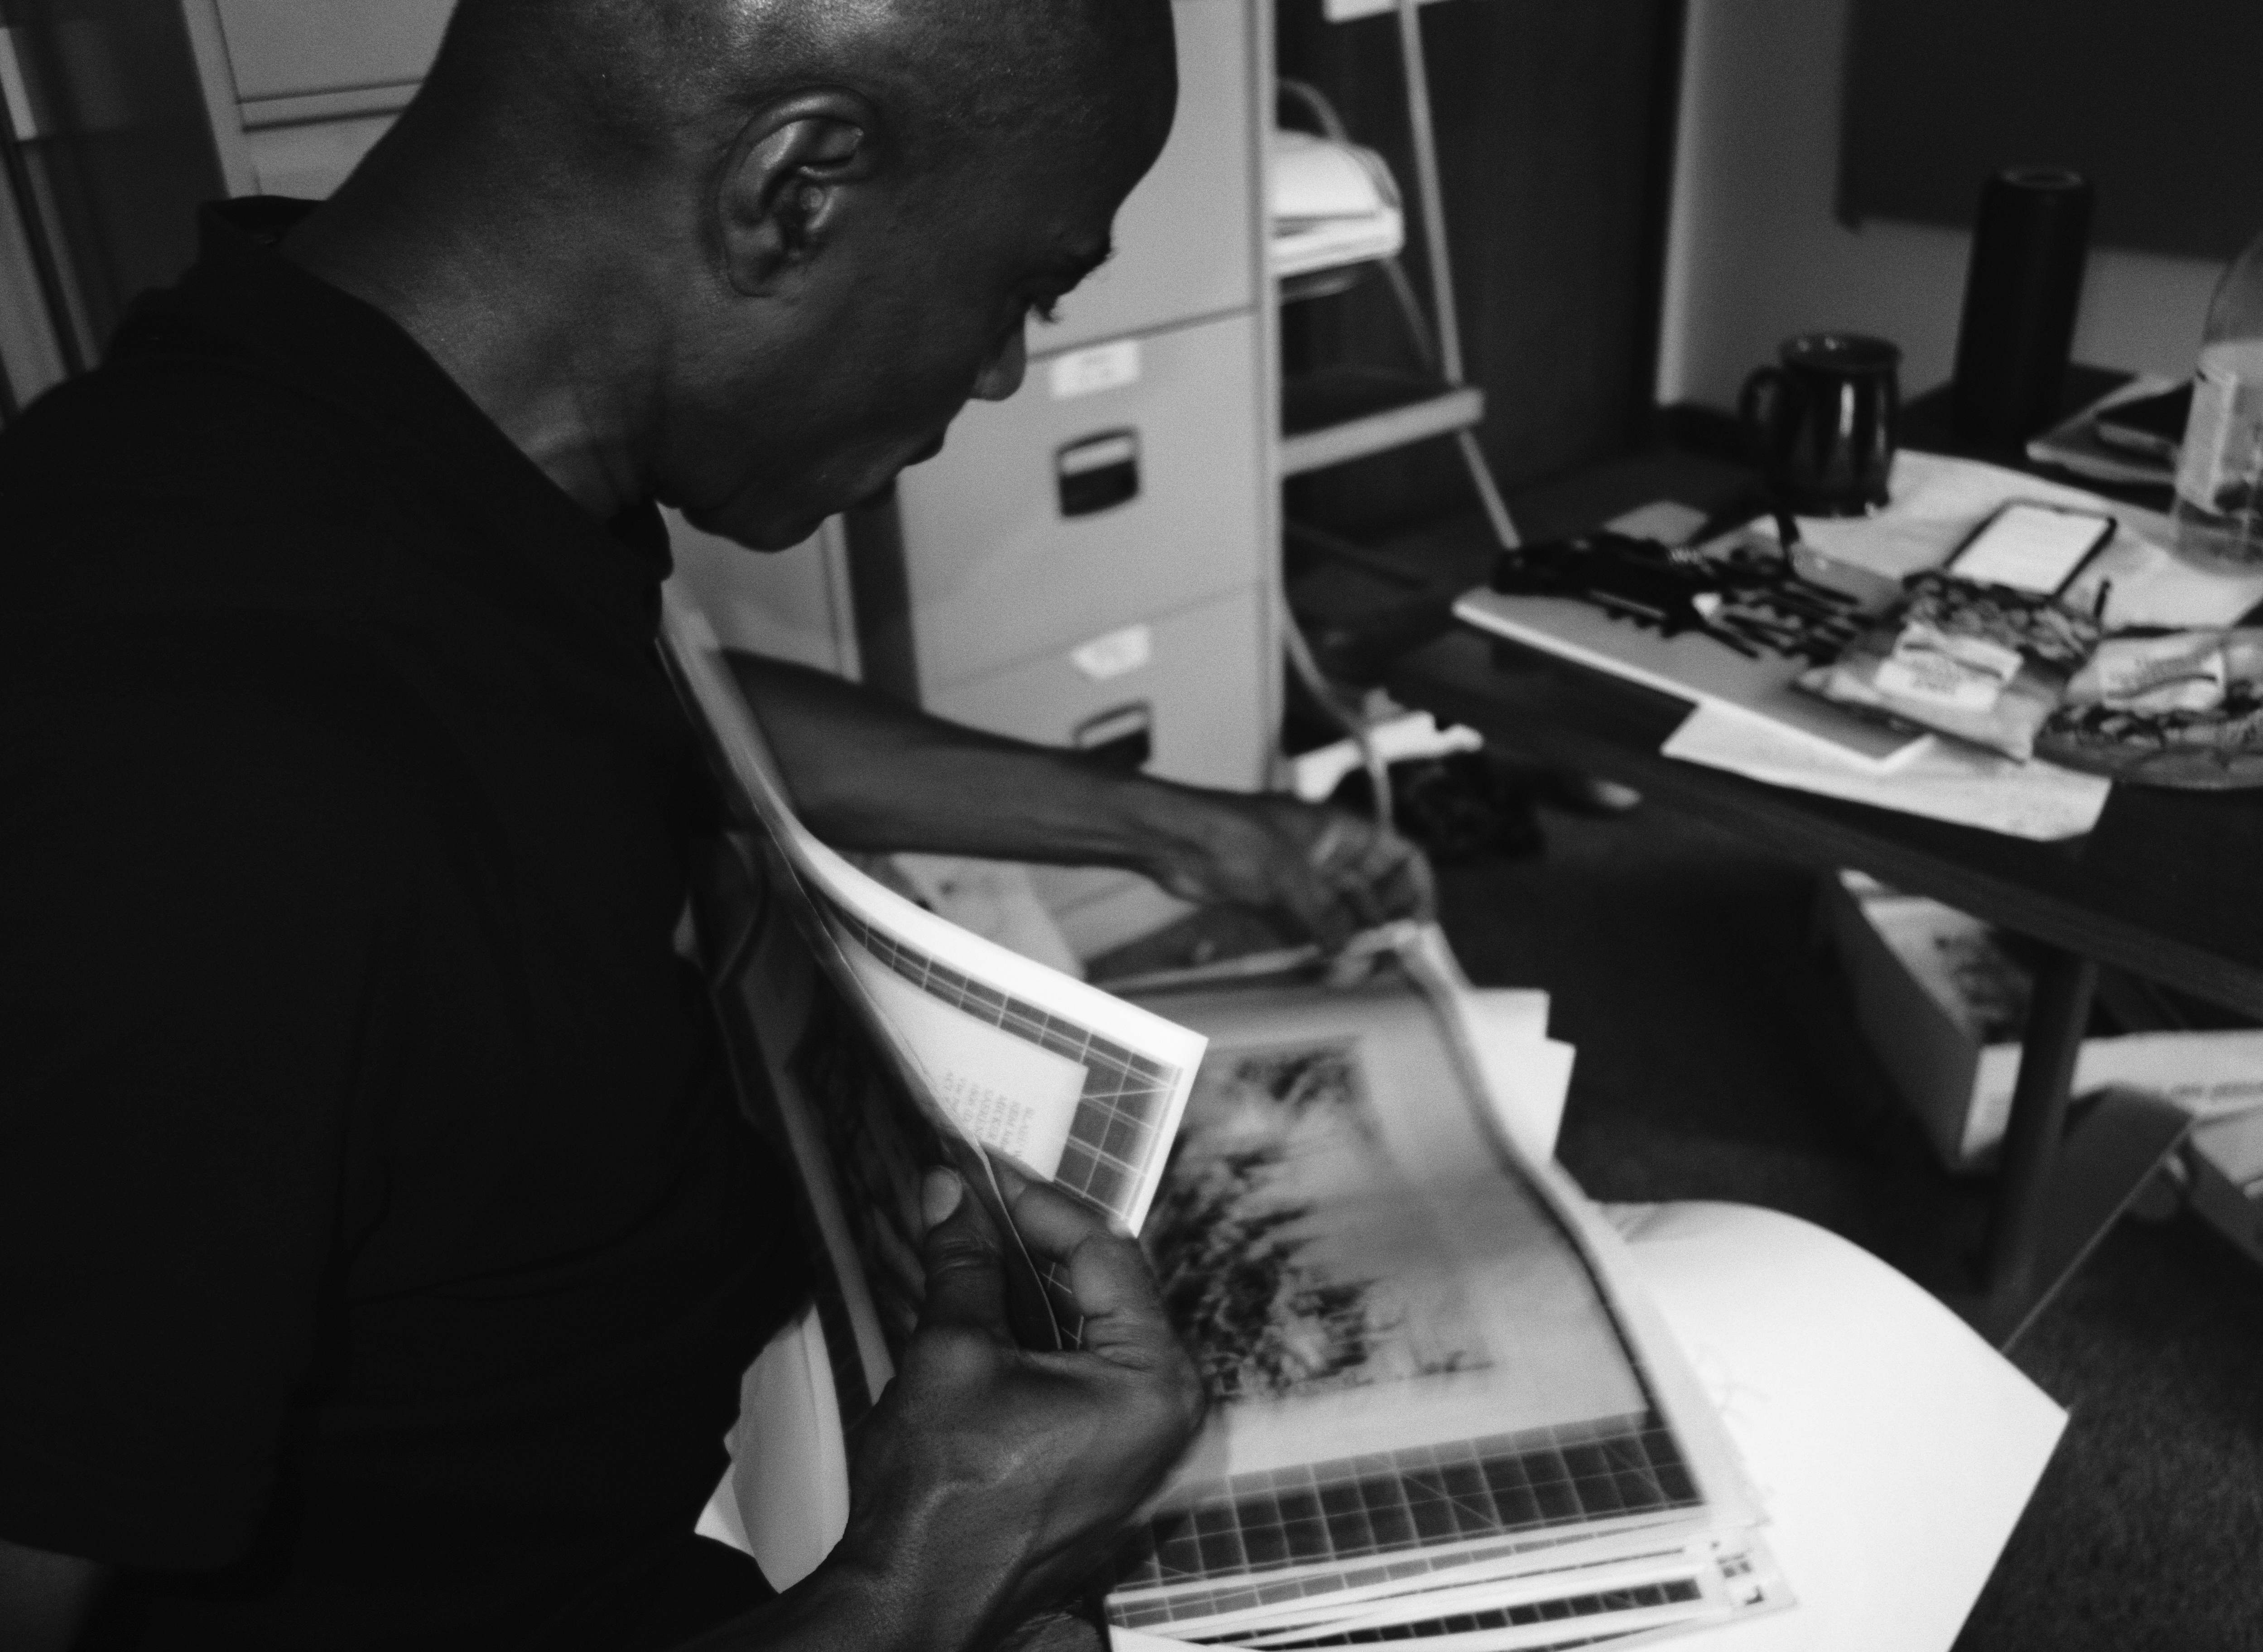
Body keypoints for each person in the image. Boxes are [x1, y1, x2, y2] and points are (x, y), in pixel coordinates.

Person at [0, 0, 1430, 1647]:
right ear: (799, 189)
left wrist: (1179, 830)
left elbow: (608, 715)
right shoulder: (180, 807)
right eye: (1023, 286)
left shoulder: (353, 428)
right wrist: (929, 1576)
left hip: (740, 1398)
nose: (1001, 367)